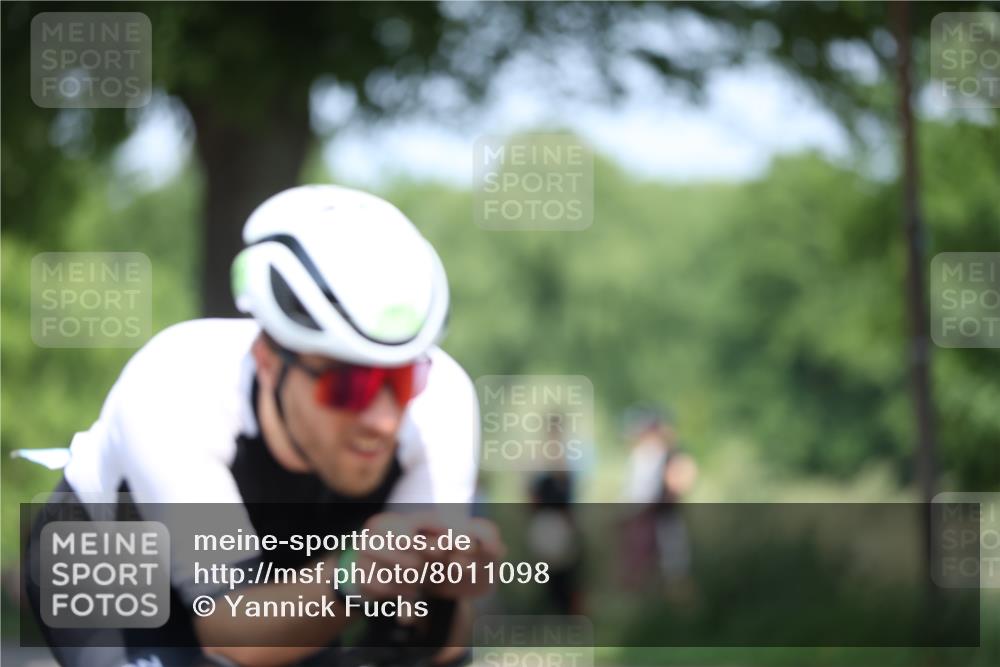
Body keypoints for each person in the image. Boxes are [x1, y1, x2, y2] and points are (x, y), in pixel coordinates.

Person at [23, 185, 502, 667]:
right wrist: (351, 578)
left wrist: (443, 593)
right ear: (269, 361)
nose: (381, 419)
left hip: (286, 575)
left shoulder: (442, 400)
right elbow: (230, 635)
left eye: (401, 379)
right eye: (347, 387)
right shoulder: (176, 386)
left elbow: (430, 648)